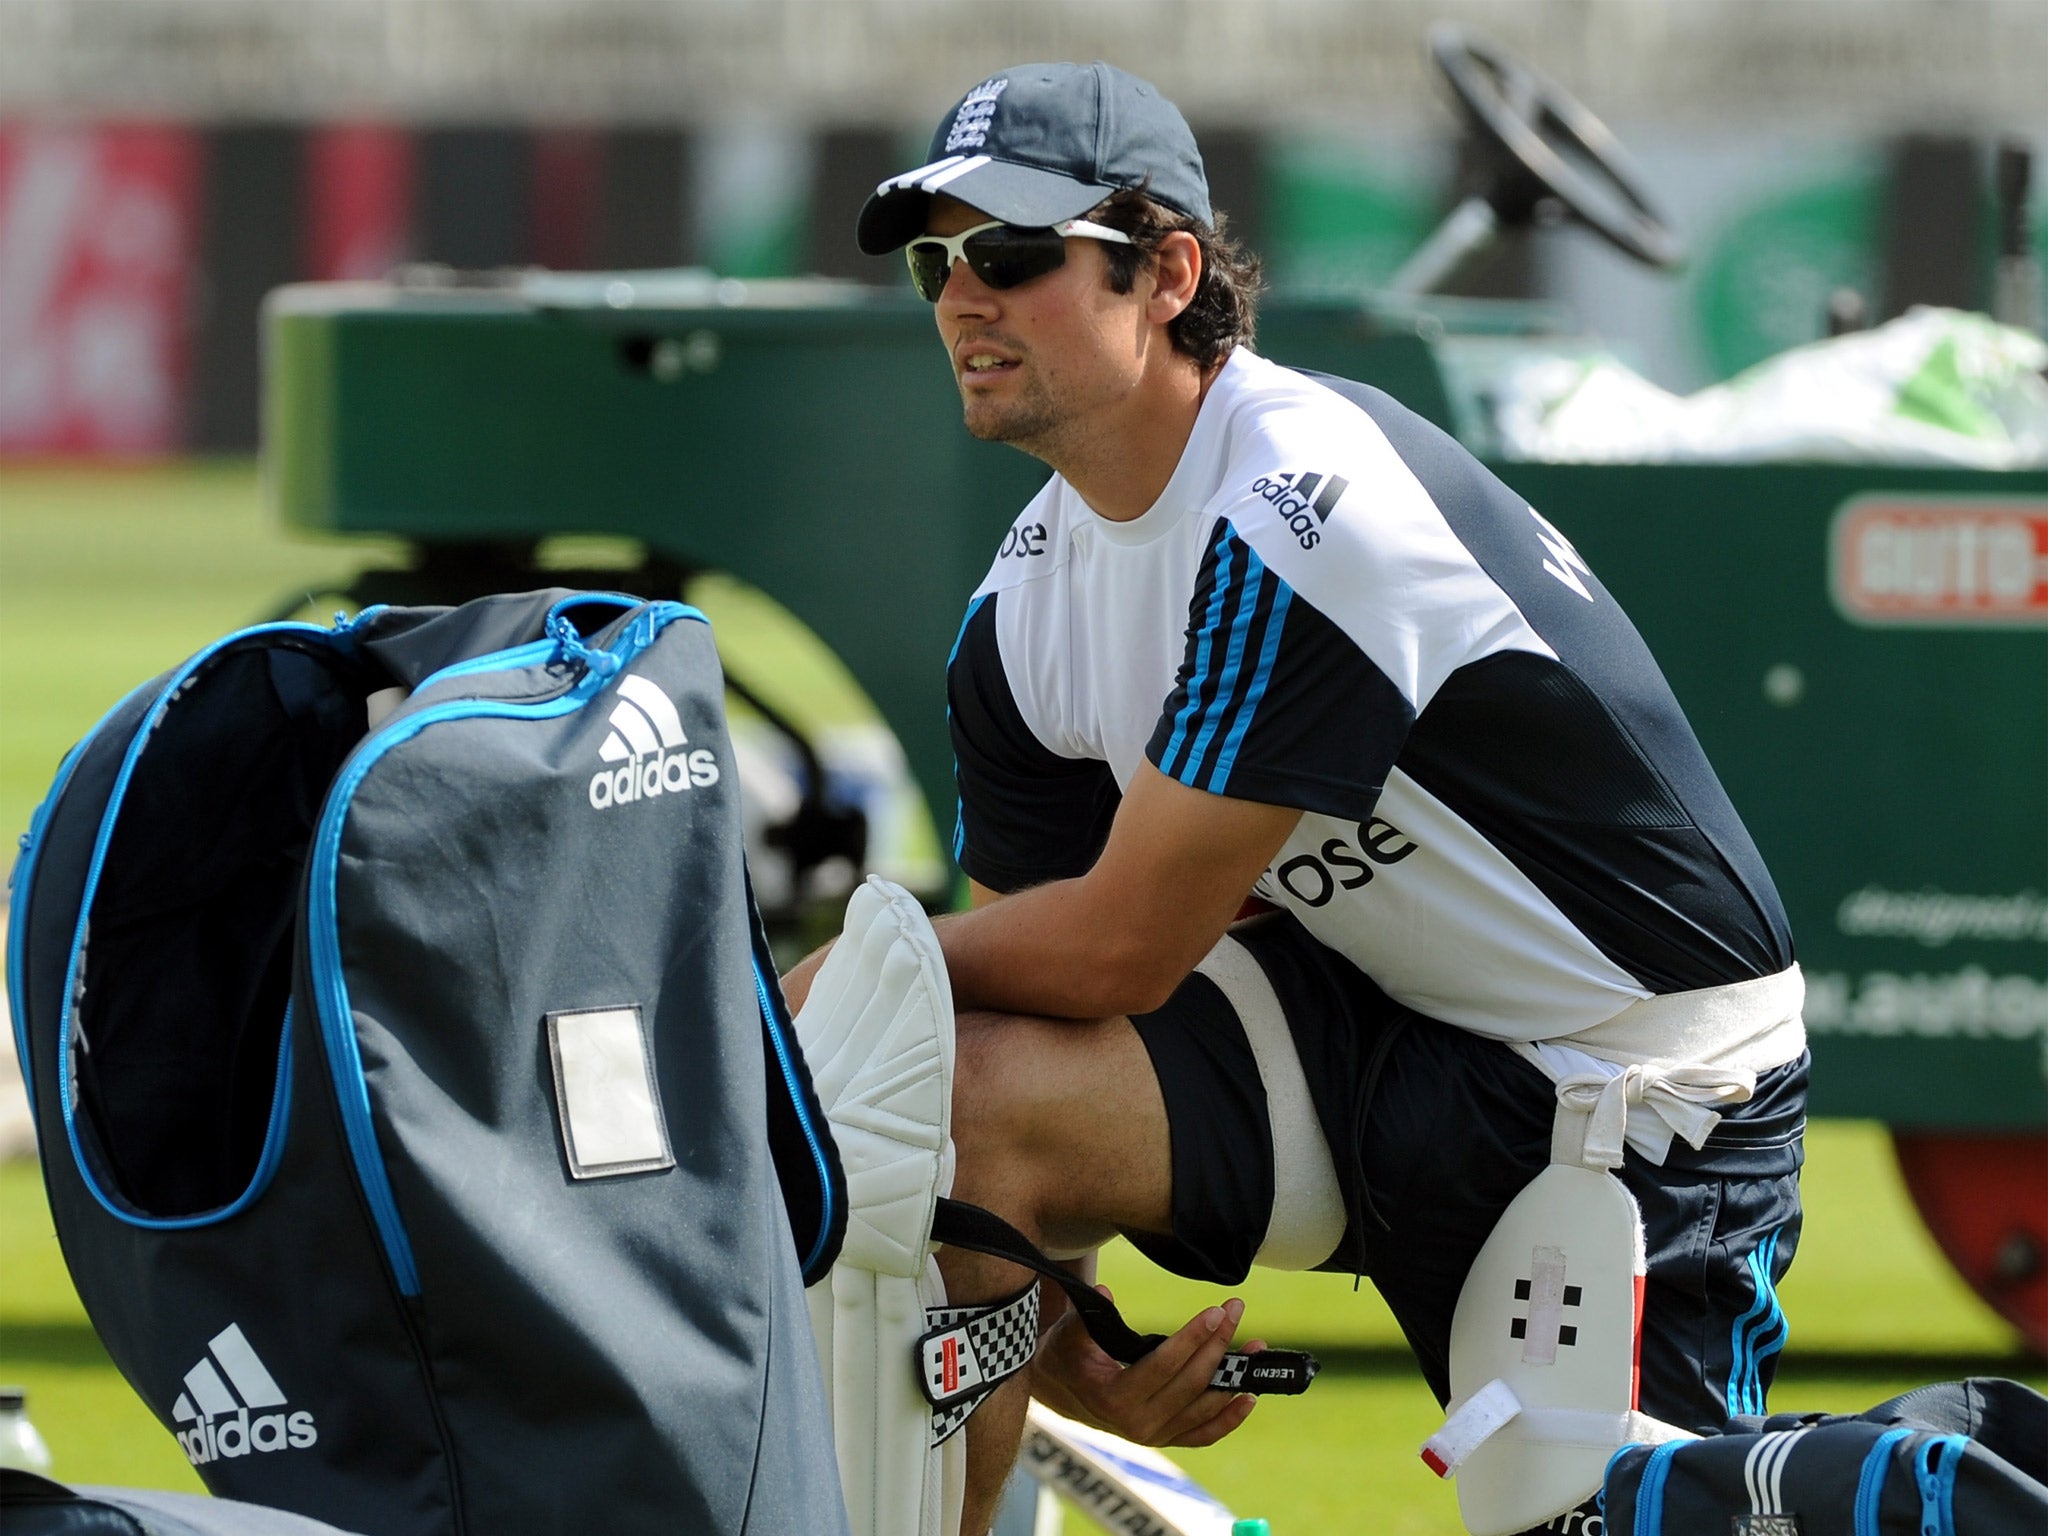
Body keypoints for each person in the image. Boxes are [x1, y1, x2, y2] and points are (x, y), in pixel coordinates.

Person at [789, 60, 1809, 1536]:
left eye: (1013, 255)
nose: (963, 298)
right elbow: (1033, 1007)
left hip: (1631, 1086)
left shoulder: (1303, 504)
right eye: (939, 264)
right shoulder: (1017, 614)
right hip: (1358, 1028)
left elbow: (1123, 951)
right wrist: (1075, 1344)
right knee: (946, 1088)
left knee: (1634, 1520)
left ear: (1170, 271)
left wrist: (836, 973)